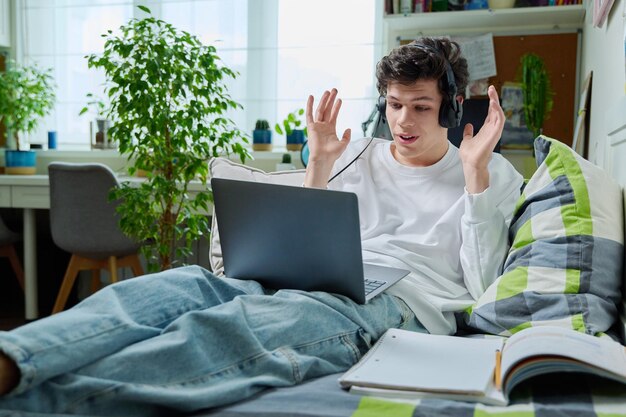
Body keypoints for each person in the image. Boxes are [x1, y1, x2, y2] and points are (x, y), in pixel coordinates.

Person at [0, 36, 523, 415]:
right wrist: (319, 163)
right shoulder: (362, 152)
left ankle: (41, 403)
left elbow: (481, 287)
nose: (404, 122)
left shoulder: (488, 169)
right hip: (320, 277)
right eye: (394, 105)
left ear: (452, 109)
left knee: (226, 330)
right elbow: (307, 234)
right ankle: (15, 356)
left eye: (421, 108)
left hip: (397, 304)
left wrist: (473, 176)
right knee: (177, 285)